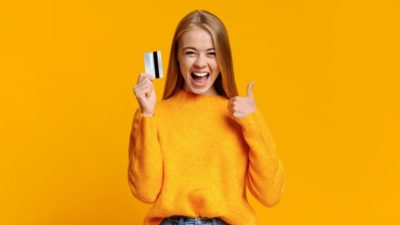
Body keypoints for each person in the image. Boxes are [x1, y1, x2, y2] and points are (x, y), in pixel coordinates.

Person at [128, 9, 286, 225]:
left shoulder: (241, 116)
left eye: (211, 53)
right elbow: (145, 192)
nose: (201, 63)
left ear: (223, 59)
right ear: (177, 56)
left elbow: (270, 195)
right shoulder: (157, 114)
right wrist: (147, 114)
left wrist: (254, 122)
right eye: (191, 52)